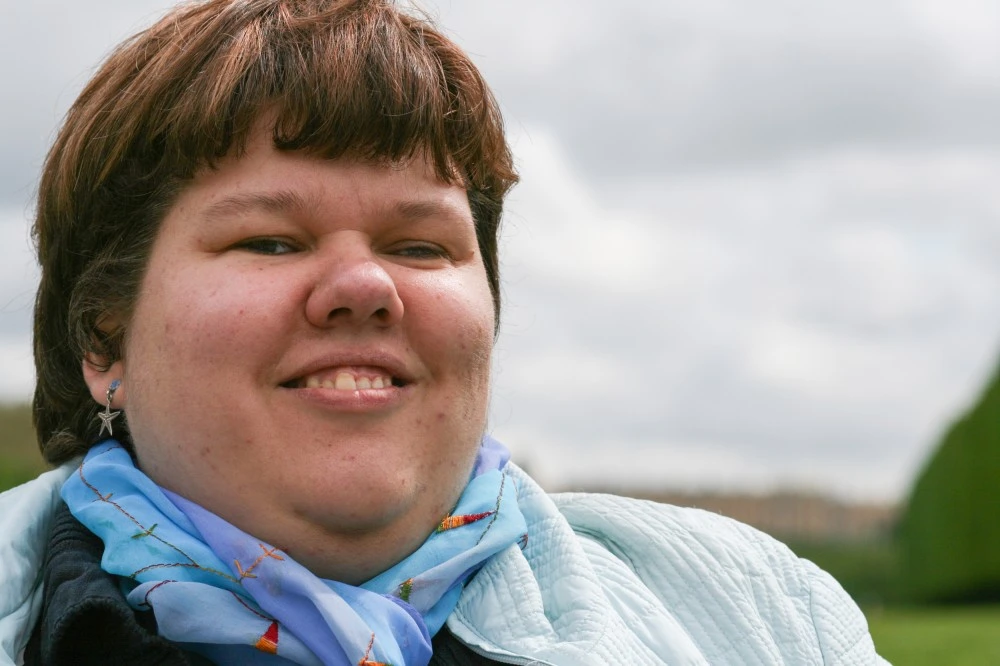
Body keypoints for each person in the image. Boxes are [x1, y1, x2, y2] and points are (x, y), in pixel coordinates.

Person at [0, 1, 888, 664]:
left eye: (420, 245)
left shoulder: (767, 619)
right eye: (271, 240)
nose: (365, 286)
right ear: (103, 340)